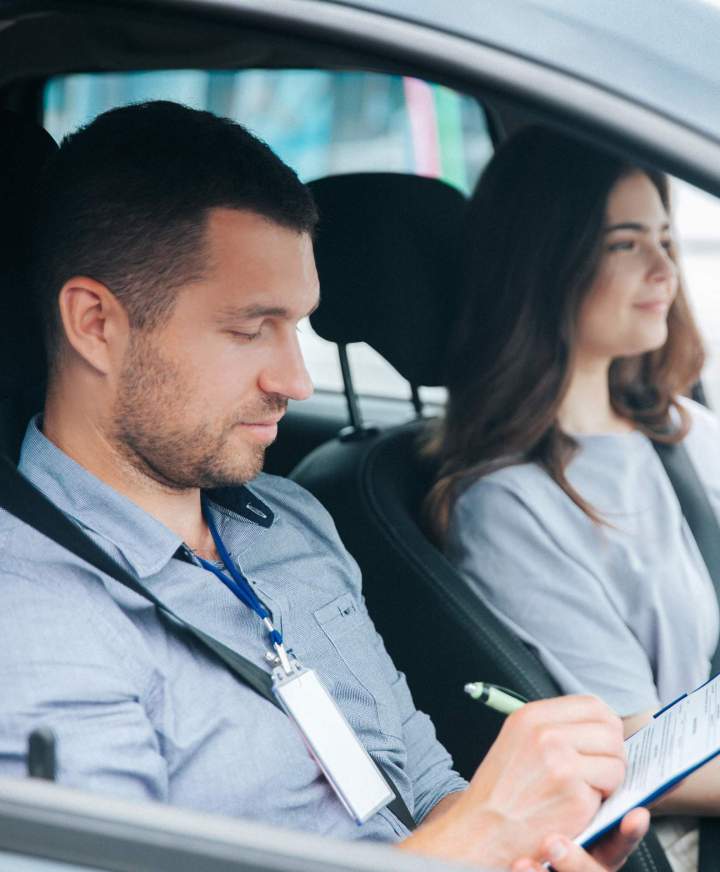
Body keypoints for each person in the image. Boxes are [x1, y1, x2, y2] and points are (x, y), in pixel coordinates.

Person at [0, 103, 648, 872]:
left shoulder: (291, 522)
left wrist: (532, 849)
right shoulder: (33, 619)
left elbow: (424, 789)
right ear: (96, 324)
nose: (296, 380)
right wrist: (478, 832)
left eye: (298, 326)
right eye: (249, 329)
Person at [426, 126, 719, 871]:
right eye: (625, 243)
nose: (663, 266)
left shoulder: (681, 428)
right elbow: (640, 752)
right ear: (547, 263)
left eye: (664, 236)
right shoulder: (509, 506)